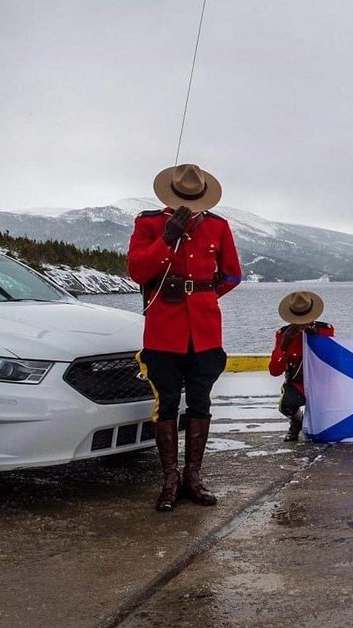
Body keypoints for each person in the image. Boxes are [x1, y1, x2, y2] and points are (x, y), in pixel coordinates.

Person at [128, 163, 242, 511]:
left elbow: (233, 275)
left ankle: (193, 478)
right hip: (164, 331)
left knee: (200, 403)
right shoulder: (148, 223)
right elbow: (137, 271)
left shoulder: (217, 226)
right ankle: (170, 479)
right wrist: (166, 238)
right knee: (166, 405)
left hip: (204, 332)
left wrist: (201, 295)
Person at [268, 291, 334, 442]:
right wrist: (284, 345)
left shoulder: (325, 330)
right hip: (298, 383)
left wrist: (316, 340)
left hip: (321, 383)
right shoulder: (283, 334)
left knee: (326, 416)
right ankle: (296, 423)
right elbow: (274, 371)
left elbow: (332, 359)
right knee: (287, 405)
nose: (303, 323)